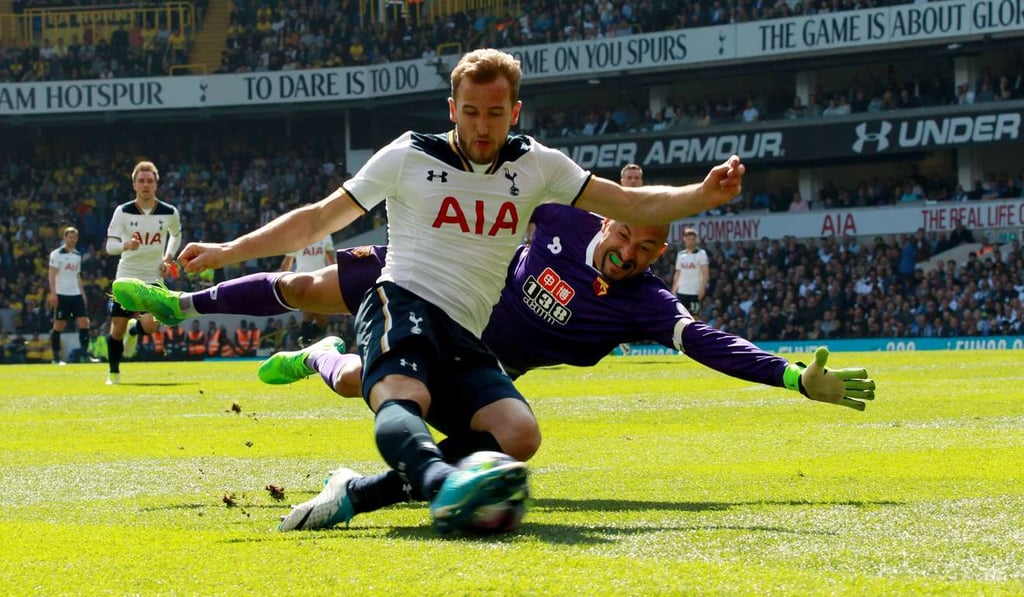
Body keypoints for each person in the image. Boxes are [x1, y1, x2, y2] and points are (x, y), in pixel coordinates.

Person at [115, 48, 746, 535]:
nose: (481, 126)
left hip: (469, 330)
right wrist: (228, 251)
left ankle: (357, 492)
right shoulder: (407, 156)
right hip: (404, 298)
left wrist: (703, 196)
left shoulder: (539, 167)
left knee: (519, 434)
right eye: (470, 112)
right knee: (401, 394)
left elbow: (631, 201)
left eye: (495, 113)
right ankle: (443, 483)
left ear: (514, 112)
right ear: (452, 109)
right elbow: (316, 219)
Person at [117, 204, 876, 530]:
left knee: (358, 382)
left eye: (652, 250)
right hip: (430, 286)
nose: (636, 255)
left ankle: (322, 365)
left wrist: (792, 377)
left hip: (475, 364)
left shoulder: (643, 301)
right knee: (303, 286)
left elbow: (709, 341)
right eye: (632, 237)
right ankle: (187, 302)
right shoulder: (561, 216)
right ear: (610, 215)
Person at [104, 160, 182, 385]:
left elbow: (175, 235)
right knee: (116, 328)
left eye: (150, 181)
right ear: (134, 184)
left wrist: (168, 257)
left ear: (156, 184)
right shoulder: (123, 211)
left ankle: (134, 331)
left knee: (151, 325)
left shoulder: (169, 212)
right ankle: (114, 374)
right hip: (126, 275)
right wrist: (126, 245)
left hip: (153, 277)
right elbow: (110, 246)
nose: (146, 185)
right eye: (141, 181)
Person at [278, 235, 336, 346]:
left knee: (323, 320)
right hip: (302, 281)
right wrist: (282, 280)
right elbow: (287, 263)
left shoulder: (326, 236)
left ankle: (304, 340)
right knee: (308, 314)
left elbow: (331, 261)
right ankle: (305, 342)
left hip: (320, 281)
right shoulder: (298, 236)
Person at [47, 226, 92, 364]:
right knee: (59, 325)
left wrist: (82, 294)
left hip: (75, 293)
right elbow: (52, 275)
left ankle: (85, 355)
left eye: (75, 237)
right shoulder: (56, 254)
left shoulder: (77, 255)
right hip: (62, 294)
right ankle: (56, 358)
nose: (72, 240)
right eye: (70, 237)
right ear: (65, 238)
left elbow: (77, 276)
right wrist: (53, 293)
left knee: (84, 322)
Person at [671, 228, 709, 318]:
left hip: (695, 291)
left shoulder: (701, 254)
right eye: (688, 239)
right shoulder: (681, 255)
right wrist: (674, 289)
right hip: (682, 291)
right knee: (680, 316)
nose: (690, 241)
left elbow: (705, 272)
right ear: (684, 239)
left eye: (692, 239)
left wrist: (703, 288)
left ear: (696, 240)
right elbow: (678, 273)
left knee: (695, 316)